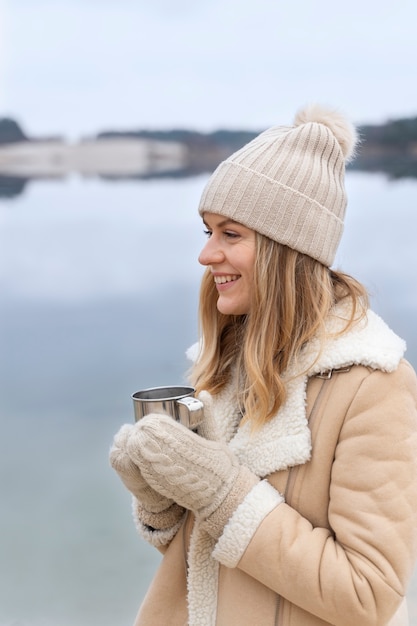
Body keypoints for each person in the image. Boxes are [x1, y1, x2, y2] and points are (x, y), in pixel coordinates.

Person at [110, 104, 417, 626]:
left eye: (230, 235)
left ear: (286, 249)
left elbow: (369, 597)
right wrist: (161, 501)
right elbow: (213, 559)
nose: (207, 256)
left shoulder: (373, 385)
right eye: (206, 232)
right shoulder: (228, 363)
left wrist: (221, 492)